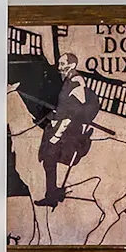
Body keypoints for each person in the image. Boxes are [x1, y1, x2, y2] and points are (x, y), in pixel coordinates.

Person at [35, 52, 100, 207]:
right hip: (64, 121)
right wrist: (54, 114)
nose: (59, 67)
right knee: (48, 152)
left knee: (50, 153)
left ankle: (52, 196)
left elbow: (75, 109)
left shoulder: (76, 81)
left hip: (71, 126)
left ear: (72, 65)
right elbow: (64, 106)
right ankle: (52, 193)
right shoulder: (68, 80)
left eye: (62, 64)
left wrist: (57, 133)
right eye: (59, 63)